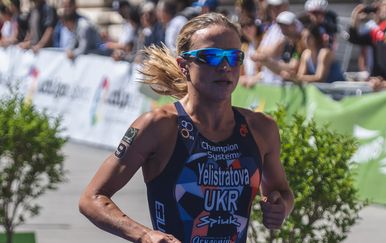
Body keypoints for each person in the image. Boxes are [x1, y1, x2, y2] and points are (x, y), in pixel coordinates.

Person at [79, 13, 294, 243]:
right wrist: (144, 235)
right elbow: (91, 198)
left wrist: (281, 206)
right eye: (210, 57)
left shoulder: (261, 128)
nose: (224, 66)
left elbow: (281, 192)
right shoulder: (158, 126)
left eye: (233, 57)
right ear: (184, 65)